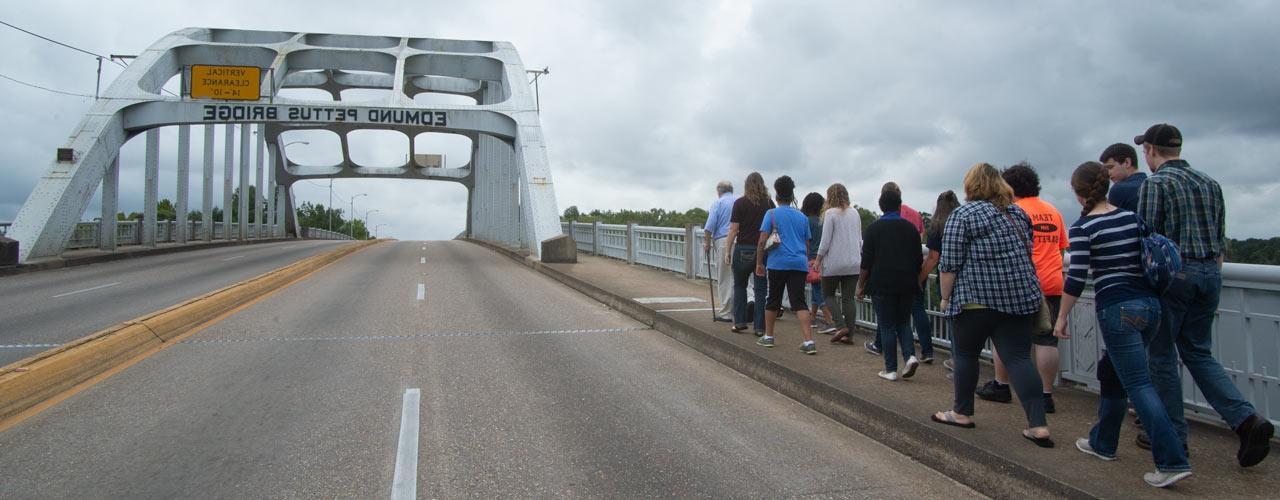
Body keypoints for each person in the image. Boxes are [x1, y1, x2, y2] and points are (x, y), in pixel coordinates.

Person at [1134, 123, 1273, 467]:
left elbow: (1147, 240)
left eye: (1145, 150)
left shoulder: (1157, 185)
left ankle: (1171, 438)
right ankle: (1246, 420)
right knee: (1198, 352)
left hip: (1174, 277)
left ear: (1151, 150)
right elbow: (1220, 237)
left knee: (1161, 356)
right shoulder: (1210, 183)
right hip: (1211, 272)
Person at [1054, 161, 1192, 488]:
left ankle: (1172, 461)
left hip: (1118, 308)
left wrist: (1061, 317)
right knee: (1112, 371)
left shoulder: (1084, 227)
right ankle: (1103, 442)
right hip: (1150, 306)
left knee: (1139, 385)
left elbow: (1076, 277)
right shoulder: (1131, 217)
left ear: (1077, 193)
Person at [930, 163, 1051, 448]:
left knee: (966, 355)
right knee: (1019, 358)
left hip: (975, 299)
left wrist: (946, 298)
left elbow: (949, 264)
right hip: (1019, 299)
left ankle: (961, 412)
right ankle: (1038, 425)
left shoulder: (963, 214)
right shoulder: (1018, 215)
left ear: (971, 186)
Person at [975, 163, 1068, 413]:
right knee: (1047, 341)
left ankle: (1001, 385)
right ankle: (1046, 394)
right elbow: (1060, 250)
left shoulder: (1012, 212)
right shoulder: (1053, 212)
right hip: (1053, 282)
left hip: (1021, 283)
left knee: (1006, 338)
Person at [857, 188, 923, 380]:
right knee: (903, 322)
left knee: (886, 325)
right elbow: (918, 258)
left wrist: (861, 285)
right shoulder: (910, 229)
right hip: (907, 283)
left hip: (882, 283)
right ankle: (910, 356)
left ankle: (891, 369)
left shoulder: (874, 229)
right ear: (899, 205)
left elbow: (866, 261)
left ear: (881, 206)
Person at [867, 182, 933, 362]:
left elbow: (868, 257)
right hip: (911, 274)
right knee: (914, 313)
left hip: (885, 276)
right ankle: (924, 352)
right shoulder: (913, 217)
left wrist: (862, 284)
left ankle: (887, 359)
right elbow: (919, 244)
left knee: (887, 320)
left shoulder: (876, 226)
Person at [755, 175, 817, 354]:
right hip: (798, 263)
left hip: (777, 262)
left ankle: (769, 337)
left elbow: (761, 241)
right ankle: (808, 341)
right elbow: (807, 244)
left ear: (776, 194)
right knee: (799, 301)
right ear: (792, 194)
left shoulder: (771, 214)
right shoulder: (802, 217)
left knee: (773, 299)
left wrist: (759, 263)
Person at [724, 173, 774, 336]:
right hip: (763, 250)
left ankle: (740, 322)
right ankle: (760, 327)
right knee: (760, 289)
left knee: (740, 285)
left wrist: (727, 251)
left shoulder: (740, 203)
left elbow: (733, 229)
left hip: (743, 248)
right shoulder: (769, 203)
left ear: (746, 185)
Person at [815, 183, 862, 345]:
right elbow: (859, 238)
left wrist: (818, 260)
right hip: (854, 262)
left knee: (827, 294)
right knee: (849, 299)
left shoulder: (830, 214)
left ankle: (840, 326)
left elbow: (825, 241)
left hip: (834, 263)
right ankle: (849, 334)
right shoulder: (855, 213)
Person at [920, 191, 960, 366]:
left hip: (947, 277)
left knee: (952, 318)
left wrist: (920, 278)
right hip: (967, 278)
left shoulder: (939, 225)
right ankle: (963, 358)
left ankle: (956, 358)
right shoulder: (961, 220)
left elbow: (933, 257)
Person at [801, 192, 836, 333]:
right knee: (817, 287)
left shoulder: (806, 221)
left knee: (817, 290)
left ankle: (830, 320)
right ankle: (812, 317)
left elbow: (805, 241)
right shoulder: (823, 221)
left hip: (811, 259)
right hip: (823, 259)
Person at [703, 181, 738, 322]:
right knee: (739, 278)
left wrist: (707, 243)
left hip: (724, 241)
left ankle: (726, 312)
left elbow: (709, 226)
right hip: (741, 241)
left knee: (725, 277)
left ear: (719, 191)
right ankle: (739, 310)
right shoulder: (739, 201)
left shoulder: (718, 203)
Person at [1100, 143, 1145, 212]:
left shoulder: (1119, 189)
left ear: (1127, 162)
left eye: (1110, 167)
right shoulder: (1152, 184)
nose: (1108, 173)